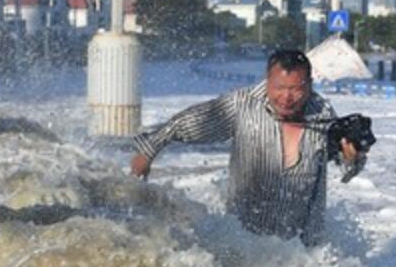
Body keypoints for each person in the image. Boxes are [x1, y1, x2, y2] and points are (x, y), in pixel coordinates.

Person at [130, 49, 366, 246]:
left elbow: (347, 169)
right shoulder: (242, 105)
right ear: (267, 81)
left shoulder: (323, 113)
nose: (286, 97)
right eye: (279, 87)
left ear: (310, 85)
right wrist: (148, 151)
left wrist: (353, 158)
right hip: (245, 246)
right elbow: (189, 122)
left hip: (304, 253)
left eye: (296, 89)